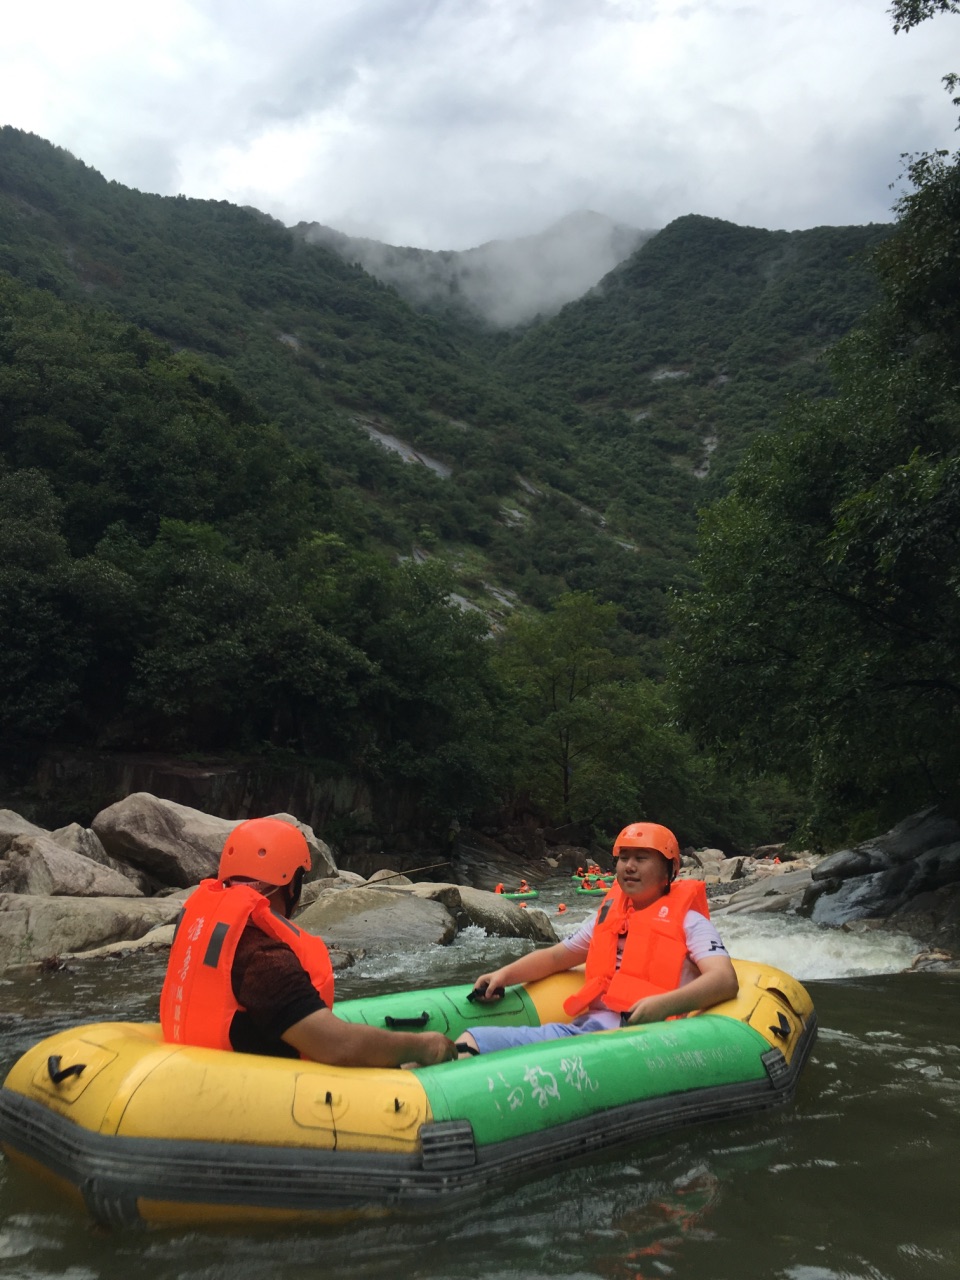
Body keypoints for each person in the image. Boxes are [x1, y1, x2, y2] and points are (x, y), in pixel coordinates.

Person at [160, 816, 457, 1067]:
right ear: (290, 885)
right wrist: (425, 1046)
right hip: (252, 1094)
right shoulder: (266, 959)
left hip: (202, 1072)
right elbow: (336, 1046)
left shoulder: (208, 929)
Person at [456, 822, 738, 1055]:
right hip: (591, 1032)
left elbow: (724, 980)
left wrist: (664, 1005)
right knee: (471, 1040)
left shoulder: (691, 923)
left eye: (641, 859)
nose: (629, 866)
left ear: (669, 871)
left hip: (648, 1041)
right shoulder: (606, 919)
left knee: (476, 1043)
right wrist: (504, 975)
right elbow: (557, 957)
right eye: (624, 858)